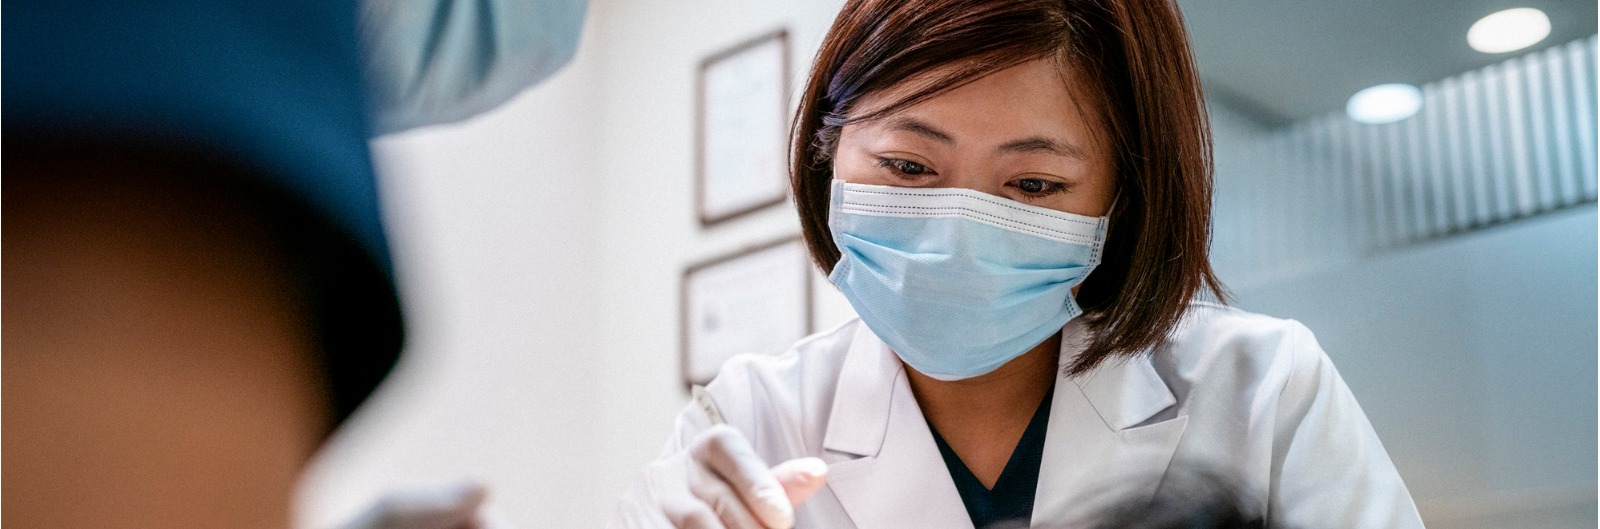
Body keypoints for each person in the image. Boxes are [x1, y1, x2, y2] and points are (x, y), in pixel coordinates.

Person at [611, 0, 1425, 527]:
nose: (958, 229)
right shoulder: (750, 420)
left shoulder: (1262, 390)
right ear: (830, 152)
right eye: (908, 166)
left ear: (1123, 195)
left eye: (1033, 184)